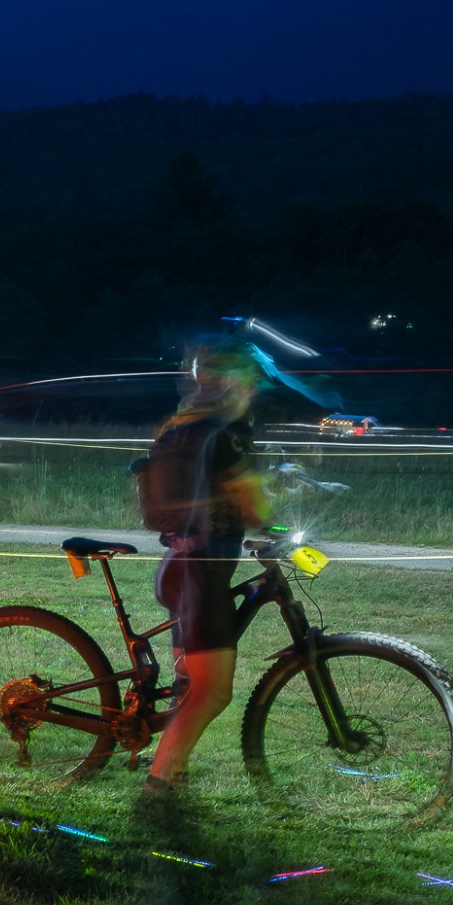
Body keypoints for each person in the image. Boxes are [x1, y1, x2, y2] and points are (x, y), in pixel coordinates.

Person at [139, 337, 279, 794]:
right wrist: (278, 518)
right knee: (212, 691)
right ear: (230, 381)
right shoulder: (227, 431)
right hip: (201, 573)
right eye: (251, 378)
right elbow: (252, 503)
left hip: (180, 565)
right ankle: (160, 783)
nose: (256, 387)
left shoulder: (181, 424)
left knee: (189, 681)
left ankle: (163, 758)